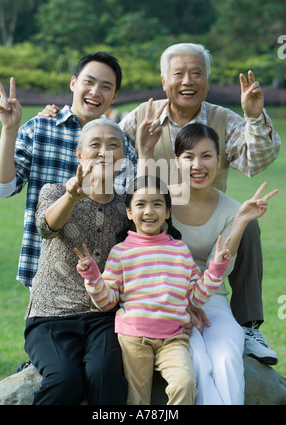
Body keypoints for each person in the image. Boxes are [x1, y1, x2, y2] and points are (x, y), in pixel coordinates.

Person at [119, 42, 281, 365]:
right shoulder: (141, 116)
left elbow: (256, 159)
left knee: (247, 224)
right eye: (178, 74)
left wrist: (254, 117)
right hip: (158, 227)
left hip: (211, 224)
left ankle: (248, 326)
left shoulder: (222, 119)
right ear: (164, 81)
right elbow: (114, 171)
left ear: (207, 80)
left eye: (197, 73)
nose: (188, 81)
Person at [137, 116, 278, 404]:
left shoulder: (231, 209)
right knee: (197, 363)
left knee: (226, 358)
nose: (197, 165)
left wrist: (240, 222)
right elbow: (144, 242)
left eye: (206, 156)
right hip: (167, 302)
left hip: (212, 301)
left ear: (219, 159)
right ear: (177, 161)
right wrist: (145, 153)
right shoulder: (162, 202)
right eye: (189, 157)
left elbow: (217, 266)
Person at [75, 174, 232, 405]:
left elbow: (196, 297)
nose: (149, 211)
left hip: (174, 339)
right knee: (137, 400)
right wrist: (92, 276)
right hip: (134, 338)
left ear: (168, 212)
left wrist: (216, 268)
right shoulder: (120, 252)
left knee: (185, 383)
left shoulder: (180, 250)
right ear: (129, 212)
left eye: (157, 204)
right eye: (141, 204)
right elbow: (107, 301)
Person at [0, 52, 137, 288]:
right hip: (46, 275)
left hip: (105, 277)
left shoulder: (122, 146)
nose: (95, 92)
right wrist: (9, 129)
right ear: (73, 83)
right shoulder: (40, 128)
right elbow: (3, 188)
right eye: (88, 82)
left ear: (115, 95)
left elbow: (131, 207)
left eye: (106, 87)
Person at [24, 118, 128, 405]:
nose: (104, 151)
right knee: (65, 380)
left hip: (103, 316)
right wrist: (72, 196)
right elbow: (46, 227)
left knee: (104, 372)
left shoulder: (128, 206)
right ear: (80, 154)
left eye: (113, 145)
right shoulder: (55, 192)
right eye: (95, 145)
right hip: (50, 317)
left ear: (123, 157)